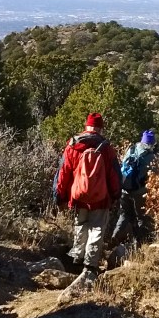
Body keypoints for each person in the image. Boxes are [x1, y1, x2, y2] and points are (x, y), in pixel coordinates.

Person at [54, 112, 121, 303]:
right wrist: (115, 194)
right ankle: (90, 266)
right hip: (101, 198)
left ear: (86, 126)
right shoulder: (107, 148)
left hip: (79, 196)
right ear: (100, 128)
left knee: (80, 224)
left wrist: (60, 195)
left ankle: (77, 257)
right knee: (97, 229)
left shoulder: (74, 144)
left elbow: (64, 172)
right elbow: (114, 176)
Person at [107, 130, 156, 266]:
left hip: (124, 189)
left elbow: (122, 166)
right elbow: (154, 175)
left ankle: (115, 236)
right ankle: (140, 243)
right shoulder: (150, 156)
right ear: (152, 143)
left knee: (124, 214)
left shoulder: (132, 149)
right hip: (140, 191)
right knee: (141, 217)